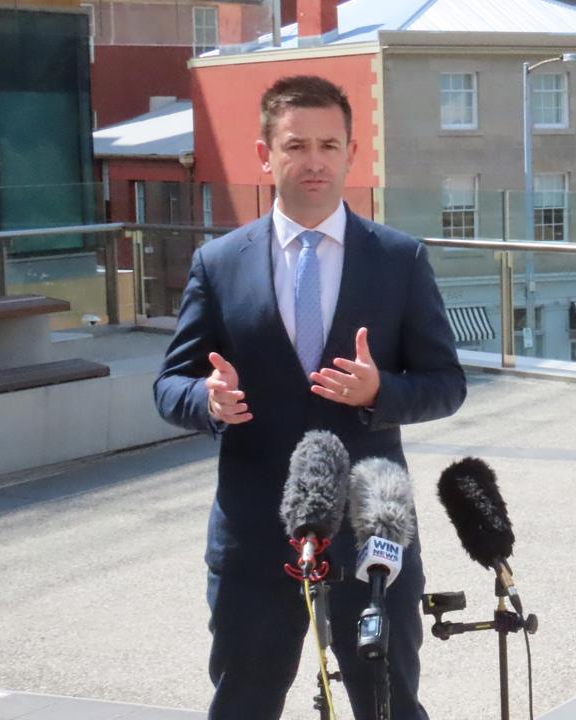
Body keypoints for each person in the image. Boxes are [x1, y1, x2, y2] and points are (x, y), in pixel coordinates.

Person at [154, 74, 466, 720]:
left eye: (330, 144)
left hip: (370, 539)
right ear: (266, 156)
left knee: (390, 706)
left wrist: (382, 392)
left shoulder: (400, 261)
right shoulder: (219, 265)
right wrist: (206, 401)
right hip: (253, 541)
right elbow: (169, 383)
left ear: (353, 153)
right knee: (243, 705)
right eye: (296, 145)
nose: (315, 160)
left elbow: (446, 384)